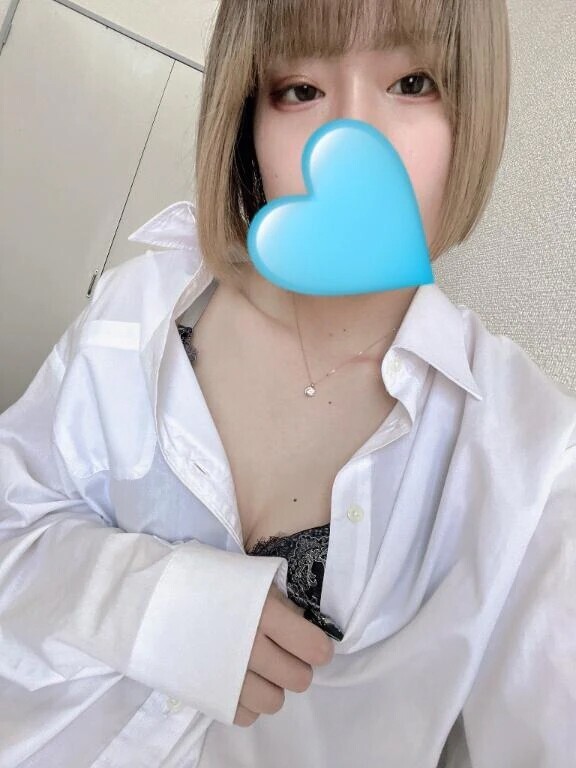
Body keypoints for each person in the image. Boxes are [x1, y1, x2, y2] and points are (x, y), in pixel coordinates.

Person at [0, 1, 575, 766]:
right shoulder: (141, 307)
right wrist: (149, 601)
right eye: (300, 90)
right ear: (248, 114)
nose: (353, 138)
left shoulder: (527, 459)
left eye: (411, 82)